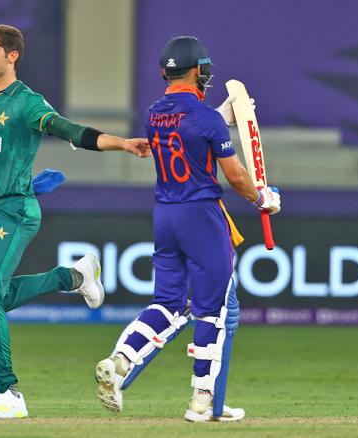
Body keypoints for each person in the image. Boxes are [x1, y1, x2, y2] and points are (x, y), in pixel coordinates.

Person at [0, 24, 150, 419]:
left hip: (15, 209)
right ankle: (74, 277)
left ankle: (8, 393)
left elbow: (69, 130)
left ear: (12, 56)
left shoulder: (27, 103)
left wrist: (123, 143)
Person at [94, 36, 281, 422]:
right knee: (210, 312)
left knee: (166, 303)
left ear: (165, 71)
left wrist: (223, 117)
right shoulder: (207, 119)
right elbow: (236, 176)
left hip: (165, 215)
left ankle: (121, 358)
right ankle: (202, 401)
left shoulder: (153, 114)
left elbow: (187, 128)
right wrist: (264, 200)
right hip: (202, 217)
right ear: (200, 71)